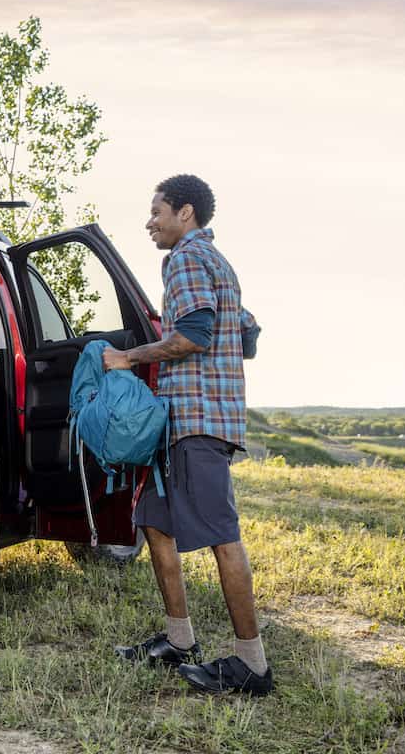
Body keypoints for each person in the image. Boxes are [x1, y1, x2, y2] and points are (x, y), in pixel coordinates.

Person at [105, 174, 271, 696]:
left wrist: (127, 357)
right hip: (178, 422)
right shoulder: (215, 262)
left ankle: (252, 666)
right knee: (155, 523)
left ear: (185, 213)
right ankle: (179, 640)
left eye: (156, 211)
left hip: (198, 422)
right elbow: (246, 333)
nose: (149, 222)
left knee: (222, 537)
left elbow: (195, 336)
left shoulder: (187, 260)